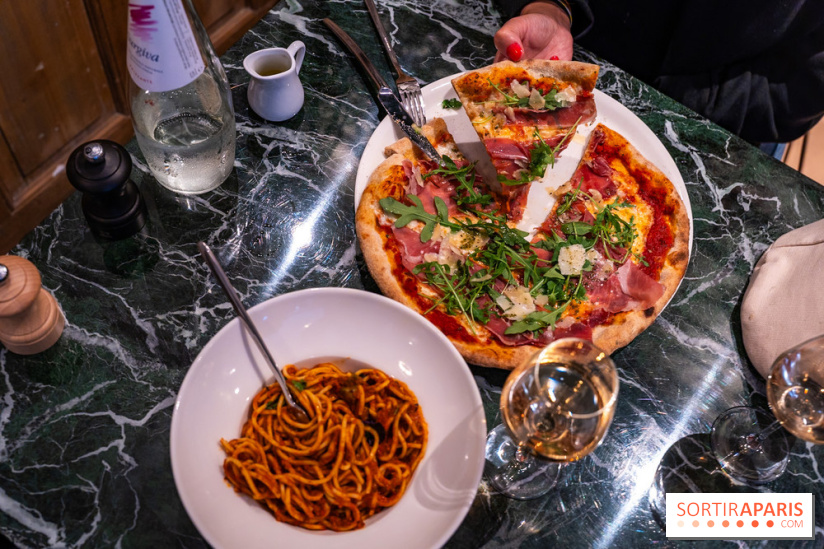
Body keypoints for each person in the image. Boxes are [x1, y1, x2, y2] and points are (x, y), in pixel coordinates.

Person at [492, 0, 824, 148]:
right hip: (562, 54)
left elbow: (798, 91)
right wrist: (548, 6)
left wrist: (679, 99)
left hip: (715, 122)